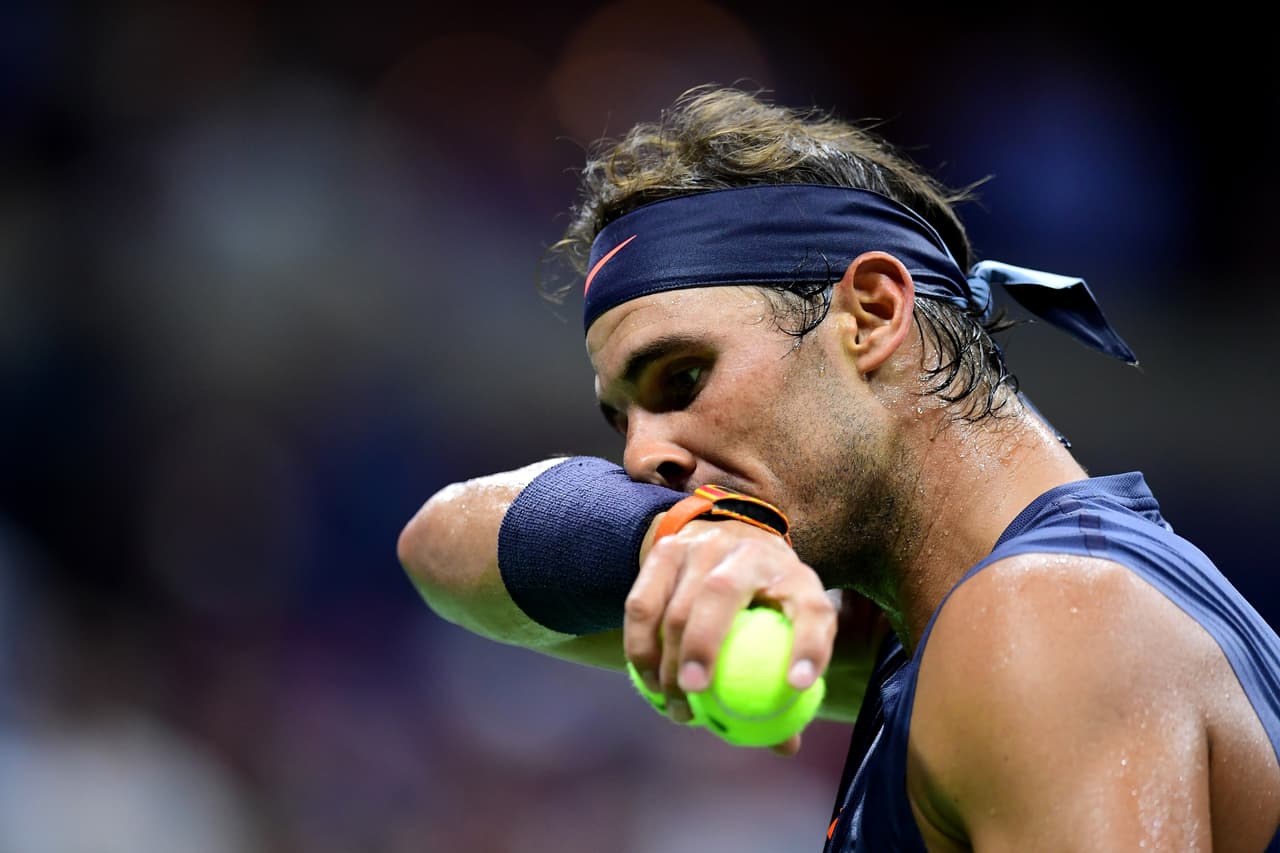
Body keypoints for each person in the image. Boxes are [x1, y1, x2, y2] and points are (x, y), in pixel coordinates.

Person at [397, 86, 1280, 851]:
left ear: (870, 313)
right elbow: (439, 546)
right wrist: (678, 528)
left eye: (684, 376)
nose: (640, 455)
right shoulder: (973, 617)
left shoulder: (1045, 621)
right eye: (622, 415)